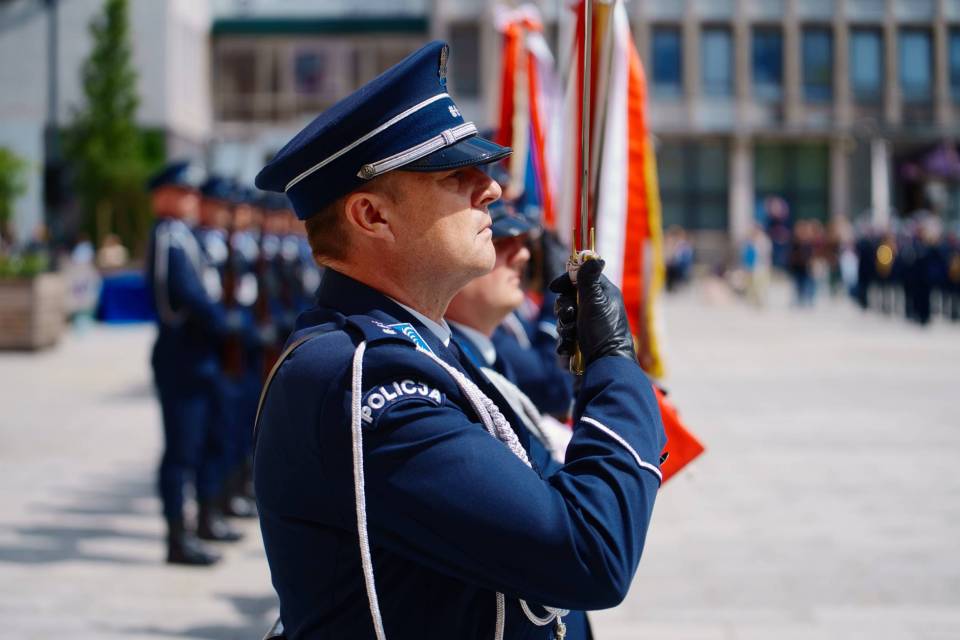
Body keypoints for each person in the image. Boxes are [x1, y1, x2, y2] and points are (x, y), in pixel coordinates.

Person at [253, 41, 666, 639]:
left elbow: (550, 493)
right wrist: (615, 368)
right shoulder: (366, 376)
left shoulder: (423, 350)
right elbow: (587, 552)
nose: (490, 190)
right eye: (455, 175)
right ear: (372, 216)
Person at [145, 161, 229, 565]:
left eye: (192, 193)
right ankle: (177, 536)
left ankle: (201, 520)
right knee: (181, 449)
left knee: (203, 440)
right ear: (161, 197)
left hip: (200, 352)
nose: (191, 199)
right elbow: (181, 294)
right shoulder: (167, 236)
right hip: (182, 353)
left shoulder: (184, 234)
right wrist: (221, 321)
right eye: (182, 192)